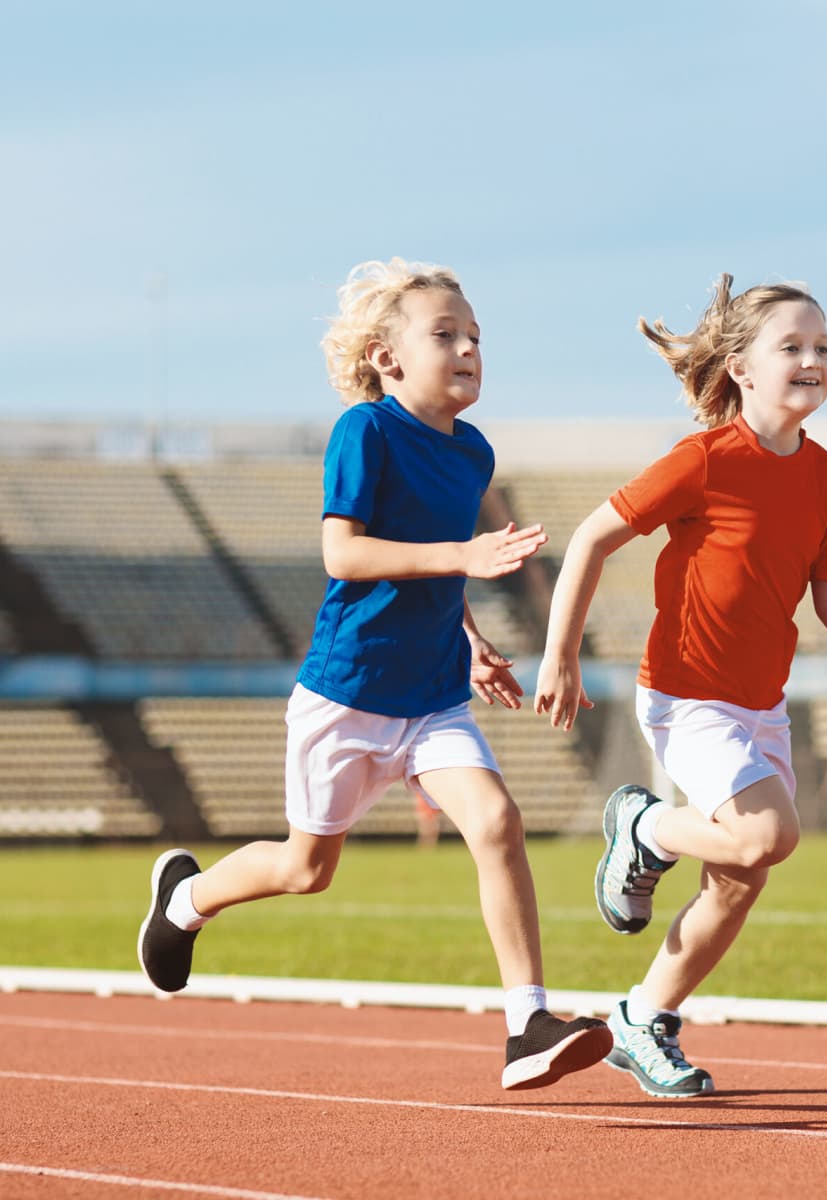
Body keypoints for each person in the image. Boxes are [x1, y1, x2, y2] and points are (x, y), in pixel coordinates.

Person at [138, 257, 612, 1090]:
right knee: (305, 870)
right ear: (388, 358)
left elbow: (437, 571)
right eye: (445, 335)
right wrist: (463, 555)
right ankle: (183, 902)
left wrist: (468, 640)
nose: (468, 348)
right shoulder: (366, 430)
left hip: (432, 697)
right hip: (347, 693)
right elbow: (344, 551)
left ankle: (526, 1024)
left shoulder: (473, 455)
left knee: (497, 822)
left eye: (476, 337)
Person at [535, 273, 827, 1098]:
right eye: (791, 346)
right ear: (742, 369)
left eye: (823, 347)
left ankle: (641, 1020)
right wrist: (560, 654)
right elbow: (591, 537)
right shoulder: (705, 461)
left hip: (761, 704)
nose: (813, 360)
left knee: (741, 879)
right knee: (765, 839)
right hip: (685, 694)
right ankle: (647, 830)